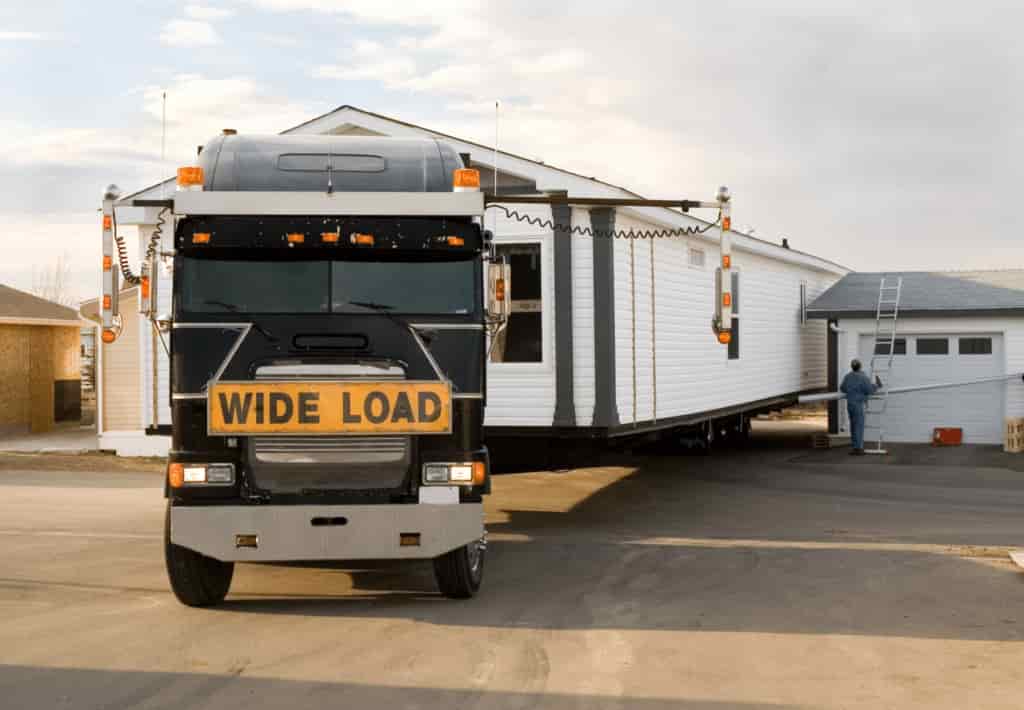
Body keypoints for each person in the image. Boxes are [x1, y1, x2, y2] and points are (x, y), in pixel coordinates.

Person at [840, 359, 882, 455]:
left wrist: (852, 390)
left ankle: (855, 447)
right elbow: (870, 390)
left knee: (853, 426)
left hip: (850, 404)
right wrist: (877, 385)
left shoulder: (847, 377)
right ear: (860, 366)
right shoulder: (863, 378)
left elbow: (842, 388)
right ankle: (858, 448)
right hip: (858, 405)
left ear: (852, 367)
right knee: (859, 426)